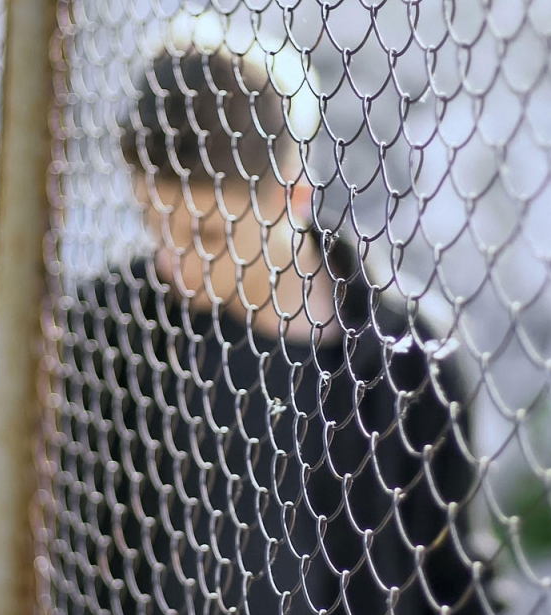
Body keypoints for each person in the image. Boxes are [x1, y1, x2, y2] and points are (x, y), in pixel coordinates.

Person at [54, 46, 489, 614]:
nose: (172, 264)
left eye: (206, 236)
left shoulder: (415, 359)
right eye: (154, 224)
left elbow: (455, 579)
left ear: (295, 196)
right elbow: (47, 534)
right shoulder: (112, 325)